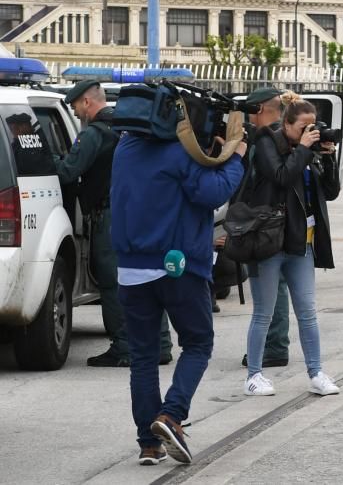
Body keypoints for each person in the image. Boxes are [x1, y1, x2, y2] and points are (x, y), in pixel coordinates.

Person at [112, 119, 246, 465]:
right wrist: (235, 156)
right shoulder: (179, 153)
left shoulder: (124, 149)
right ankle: (171, 416)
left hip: (130, 267)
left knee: (143, 356)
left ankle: (148, 444)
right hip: (178, 265)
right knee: (198, 343)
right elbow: (214, 193)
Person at [56, 80, 172, 368]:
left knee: (112, 282)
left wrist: (41, 159)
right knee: (149, 278)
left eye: (74, 105)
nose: (75, 111)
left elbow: (69, 171)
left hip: (110, 216)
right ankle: (161, 345)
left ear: (86, 102)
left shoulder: (95, 133)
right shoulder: (128, 128)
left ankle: (124, 347)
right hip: (141, 213)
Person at [243, 93, 341, 397]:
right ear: (286, 124)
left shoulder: (307, 150)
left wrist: (326, 156)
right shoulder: (265, 142)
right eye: (302, 127)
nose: (308, 132)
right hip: (268, 243)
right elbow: (281, 176)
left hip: (302, 242)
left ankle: (316, 373)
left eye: (313, 127)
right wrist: (304, 149)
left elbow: (332, 191)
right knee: (264, 313)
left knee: (308, 312)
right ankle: (254, 376)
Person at [238, 87, 291, 369]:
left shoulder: (266, 140)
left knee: (272, 285)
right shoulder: (286, 136)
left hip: (267, 221)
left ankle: (274, 345)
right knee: (279, 284)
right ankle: (275, 343)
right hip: (280, 220)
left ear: (259, 110)